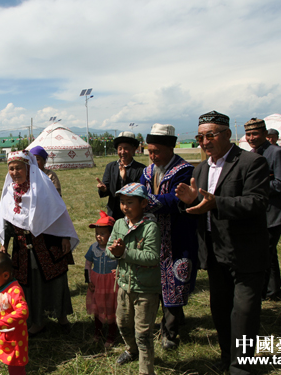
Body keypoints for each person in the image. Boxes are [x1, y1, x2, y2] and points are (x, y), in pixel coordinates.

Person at [175, 110, 269, 374]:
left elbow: (258, 202)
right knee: (220, 310)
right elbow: (202, 205)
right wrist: (190, 201)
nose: (205, 142)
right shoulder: (201, 168)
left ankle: (242, 367)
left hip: (245, 252)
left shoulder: (252, 162)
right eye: (200, 137)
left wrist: (217, 203)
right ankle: (227, 358)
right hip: (215, 252)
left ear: (227, 134)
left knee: (244, 314)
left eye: (210, 135)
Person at [0, 150, 79, 336]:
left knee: (56, 280)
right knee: (30, 284)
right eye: (11, 168)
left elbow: (58, 212)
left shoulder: (42, 186)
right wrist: (4, 243)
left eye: (18, 168)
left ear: (28, 168)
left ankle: (62, 317)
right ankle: (37, 321)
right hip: (22, 247)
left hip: (48, 244)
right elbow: (6, 220)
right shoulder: (9, 192)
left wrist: (65, 236)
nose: (14, 172)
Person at [139, 124, 198, 350]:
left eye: (157, 151)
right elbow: (140, 192)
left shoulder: (184, 170)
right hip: (152, 237)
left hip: (177, 236)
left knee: (174, 282)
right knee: (154, 282)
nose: (153, 156)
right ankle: (163, 323)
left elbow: (177, 200)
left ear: (170, 148)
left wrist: (145, 202)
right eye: (150, 151)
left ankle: (170, 333)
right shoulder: (147, 172)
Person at [105, 183, 161, 375]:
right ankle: (131, 349)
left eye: (130, 202)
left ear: (143, 203)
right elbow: (109, 250)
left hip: (145, 288)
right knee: (122, 323)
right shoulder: (119, 224)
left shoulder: (150, 227)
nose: (125, 207)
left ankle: (146, 370)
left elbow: (152, 257)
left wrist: (124, 253)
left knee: (143, 333)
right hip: (123, 285)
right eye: (122, 202)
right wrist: (115, 251)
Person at [244, 118, 281, 301]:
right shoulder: (254, 153)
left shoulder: (277, 152)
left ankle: (268, 292)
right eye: (248, 134)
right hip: (262, 211)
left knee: (264, 251)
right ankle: (272, 292)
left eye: (255, 133)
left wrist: (253, 188)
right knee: (268, 253)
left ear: (265, 134)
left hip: (276, 211)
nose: (251, 137)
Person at [85, 210, 118, 348]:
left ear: (111, 234)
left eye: (102, 233)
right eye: (97, 233)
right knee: (98, 307)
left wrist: (119, 273)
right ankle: (97, 332)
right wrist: (88, 280)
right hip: (97, 282)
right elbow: (88, 264)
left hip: (112, 283)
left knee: (111, 307)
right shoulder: (93, 248)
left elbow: (122, 263)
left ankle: (111, 335)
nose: (99, 236)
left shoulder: (116, 249)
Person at [96, 131, 146, 220]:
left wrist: (125, 179)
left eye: (126, 148)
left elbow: (140, 193)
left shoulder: (141, 169)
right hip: (113, 212)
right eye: (120, 149)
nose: (122, 152)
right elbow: (106, 188)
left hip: (132, 214)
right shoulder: (111, 167)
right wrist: (104, 189)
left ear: (133, 149)